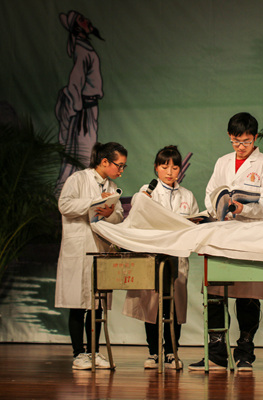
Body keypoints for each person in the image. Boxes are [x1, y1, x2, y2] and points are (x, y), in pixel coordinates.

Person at [189, 112, 263, 372]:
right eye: (236, 141)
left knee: (248, 293)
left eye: (246, 142)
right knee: (216, 290)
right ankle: (217, 353)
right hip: (223, 232)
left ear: (255, 138)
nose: (241, 147)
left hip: (252, 234)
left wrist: (243, 208)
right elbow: (211, 193)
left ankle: (245, 353)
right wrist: (220, 208)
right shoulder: (223, 162)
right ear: (230, 137)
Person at [123, 145, 200, 370]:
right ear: (156, 168)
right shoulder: (147, 191)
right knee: (152, 305)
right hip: (153, 256)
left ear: (180, 170)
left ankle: (172, 352)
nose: (169, 172)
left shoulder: (187, 196)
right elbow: (137, 216)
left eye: (174, 168)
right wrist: (142, 200)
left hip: (177, 257)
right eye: (164, 167)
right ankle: (154, 352)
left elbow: (194, 223)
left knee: (174, 306)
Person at [55, 141, 127, 370]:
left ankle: (94, 352)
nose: (121, 170)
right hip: (78, 248)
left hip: (100, 250)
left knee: (97, 304)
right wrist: (94, 202)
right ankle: (79, 354)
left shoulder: (112, 187)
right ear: (104, 161)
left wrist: (109, 212)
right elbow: (64, 205)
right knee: (78, 303)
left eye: (123, 166)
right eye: (119, 165)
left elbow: (119, 217)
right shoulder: (78, 179)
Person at [55, 10, 105, 197]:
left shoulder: (85, 48)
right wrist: (76, 109)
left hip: (88, 108)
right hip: (83, 110)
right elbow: (75, 82)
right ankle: (67, 193)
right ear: (76, 27)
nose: (87, 21)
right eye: (82, 20)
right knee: (82, 154)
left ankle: (80, 194)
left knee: (86, 152)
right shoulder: (82, 50)